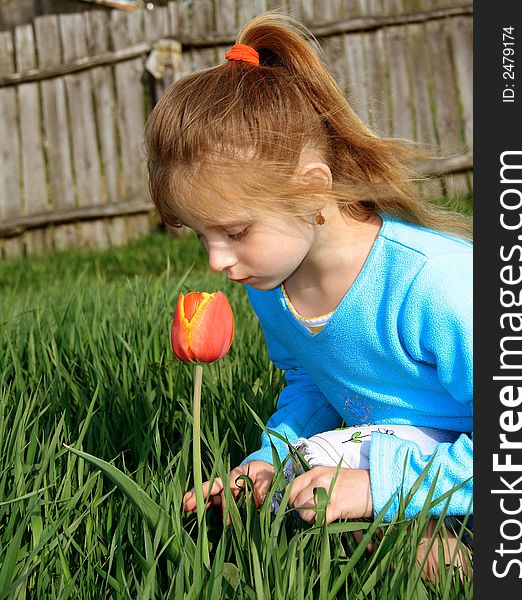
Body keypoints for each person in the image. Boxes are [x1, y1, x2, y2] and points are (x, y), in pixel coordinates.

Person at [144, 12, 473, 580]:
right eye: (201, 235)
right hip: (406, 452)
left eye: (236, 231)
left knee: (396, 538)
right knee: (310, 500)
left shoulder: (435, 284)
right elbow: (310, 382)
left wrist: (379, 487)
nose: (217, 262)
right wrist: (266, 462)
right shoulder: (273, 285)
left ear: (312, 188)